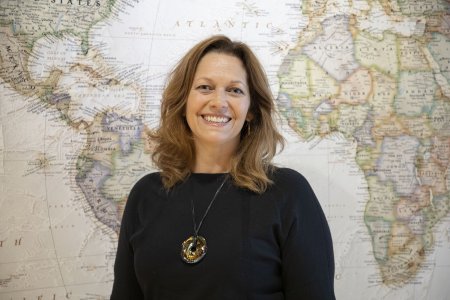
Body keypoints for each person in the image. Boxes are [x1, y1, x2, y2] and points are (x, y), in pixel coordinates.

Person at [110, 35, 336, 299]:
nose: (218, 101)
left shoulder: (287, 193)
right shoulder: (145, 195)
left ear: (251, 109)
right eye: (205, 87)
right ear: (184, 101)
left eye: (235, 90)